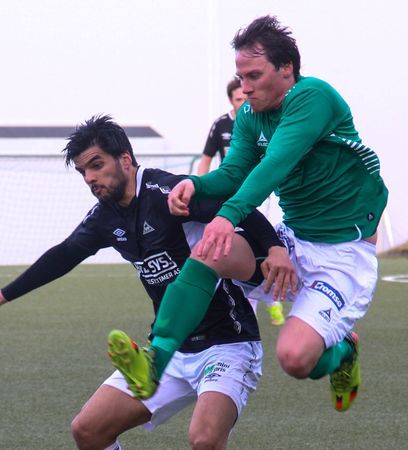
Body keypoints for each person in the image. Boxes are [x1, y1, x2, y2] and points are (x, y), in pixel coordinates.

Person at [0, 115, 292, 450]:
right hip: (167, 353)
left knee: (205, 441)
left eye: (96, 165)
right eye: (83, 172)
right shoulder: (105, 217)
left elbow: (238, 205)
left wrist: (274, 246)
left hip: (228, 343)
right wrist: (1, 296)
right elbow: (64, 254)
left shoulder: (170, 192)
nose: (90, 178)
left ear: (125, 159)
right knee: (88, 429)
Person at [107, 15, 388, 414]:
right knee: (210, 250)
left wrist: (227, 215)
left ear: (286, 69)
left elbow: (275, 163)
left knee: (295, 359)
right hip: (295, 238)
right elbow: (235, 171)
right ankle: (155, 361)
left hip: (343, 254)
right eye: (241, 77)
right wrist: (195, 185)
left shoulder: (313, 97)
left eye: (254, 75)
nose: (245, 87)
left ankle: (342, 352)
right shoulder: (249, 116)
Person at [197, 78, 286, 327]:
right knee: (235, 250)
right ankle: (254, 308)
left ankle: (273, 300)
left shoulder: (262, 119)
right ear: (231, 100)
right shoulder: (221, 125)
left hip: (258, 193)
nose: (243, 101)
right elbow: (206, 159)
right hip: (232, 196)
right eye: (238, 99)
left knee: (264, 243)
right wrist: (201, 186)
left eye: (245, 97)